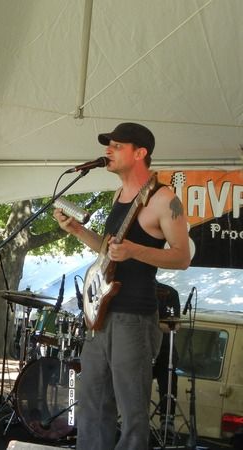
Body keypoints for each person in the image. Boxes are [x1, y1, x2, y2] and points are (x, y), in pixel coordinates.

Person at [53, 122, 190, 450]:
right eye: (108, 145)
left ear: (140, 153)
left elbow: (182, 257)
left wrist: (134, 251)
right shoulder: (118, 195)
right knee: (92, 405)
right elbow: (110, 251)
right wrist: (77, 231)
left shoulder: (165, 199)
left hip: (134, 318)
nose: (108, 151)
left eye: (117, 146)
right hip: (101, 316)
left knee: (132, 415)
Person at [153, 282, 181, 434]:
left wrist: (149, 324)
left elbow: (175, 325)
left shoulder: (169, 292)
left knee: (169, 375)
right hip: (140, 350)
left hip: (164, 351)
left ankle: (167, 419)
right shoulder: (130, 290)